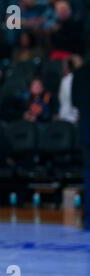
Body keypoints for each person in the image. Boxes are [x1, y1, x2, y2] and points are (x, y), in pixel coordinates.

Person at [72, 60, 90, 231]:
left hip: (86, 130)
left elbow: (75, 101)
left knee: (88, 176)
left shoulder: (80, 72)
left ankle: (88, 221)